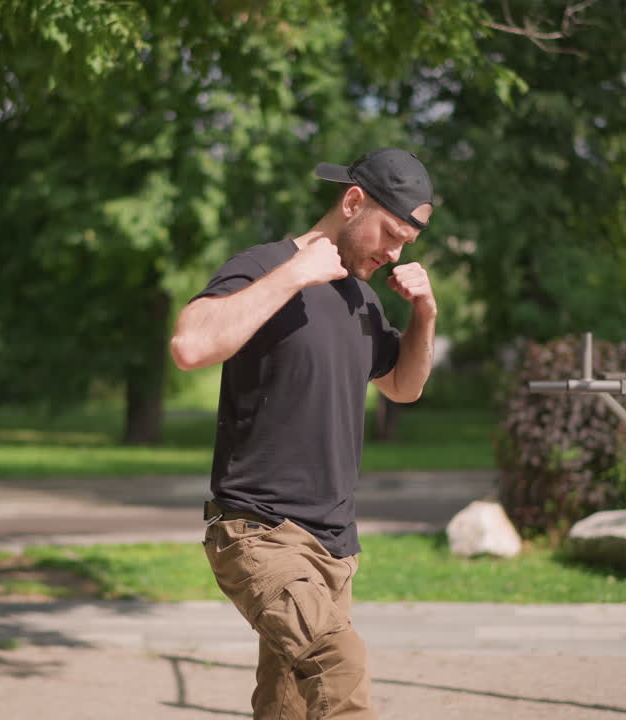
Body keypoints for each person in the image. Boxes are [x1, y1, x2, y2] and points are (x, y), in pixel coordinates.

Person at [169, 148, 437, 719]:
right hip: (259, 533)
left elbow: (403, 386)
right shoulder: (264, 264)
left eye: (405, 246)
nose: (392, 254)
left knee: (285, 708)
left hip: (333, 549)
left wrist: (425, 315)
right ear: (352, 201)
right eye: (389, 234)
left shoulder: (363, 299)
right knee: (341, 671)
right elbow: (190, 346)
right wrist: (294, 274)